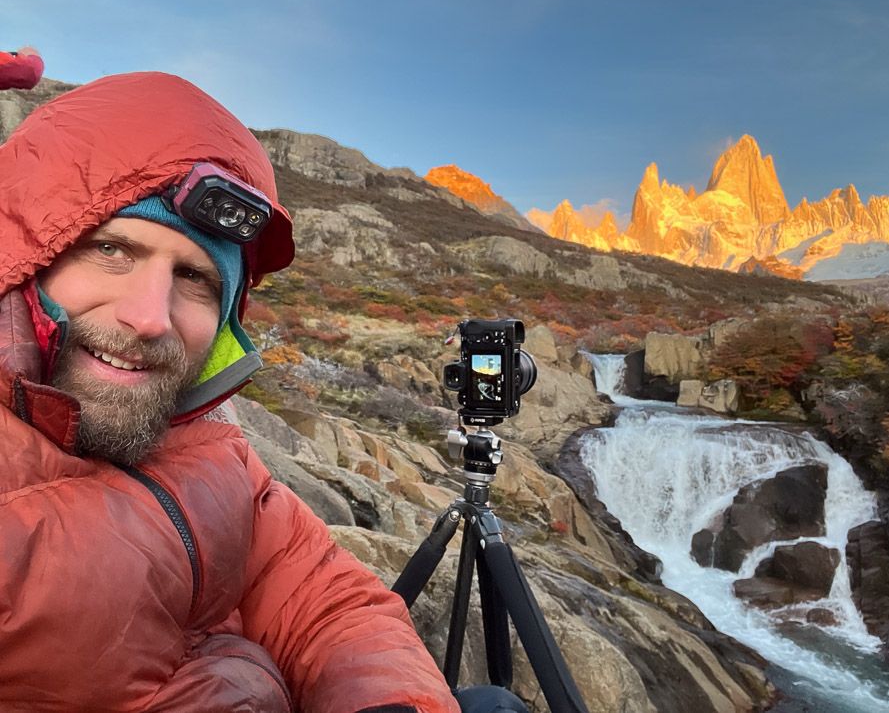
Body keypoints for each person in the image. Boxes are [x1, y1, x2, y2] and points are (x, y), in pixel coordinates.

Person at [0, 71, 526, 713]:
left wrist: (391, 699)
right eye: (112, 250)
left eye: (194, 277)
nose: (150, 316)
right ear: (26, 260)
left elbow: (327, 602)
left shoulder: (211, 451)